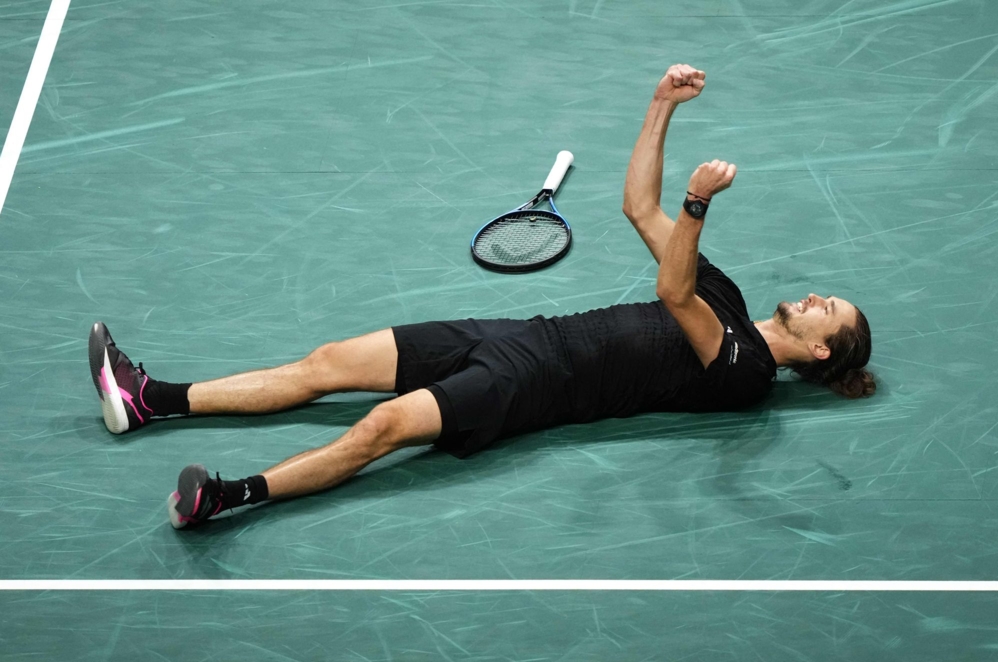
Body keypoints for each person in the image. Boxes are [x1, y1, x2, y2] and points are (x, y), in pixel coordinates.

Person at [87, 63, 874, 530]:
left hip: (530, 386)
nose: (812, 296)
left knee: (381, 426)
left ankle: (228, 496)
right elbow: (639, 208)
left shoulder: (744, 370)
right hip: (516, 333)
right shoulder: (729, 293)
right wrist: (660, 104)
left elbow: (672, 288)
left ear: (817, 350)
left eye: (827, 309)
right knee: (327, 361)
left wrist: (698, 204)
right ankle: (151, 398)